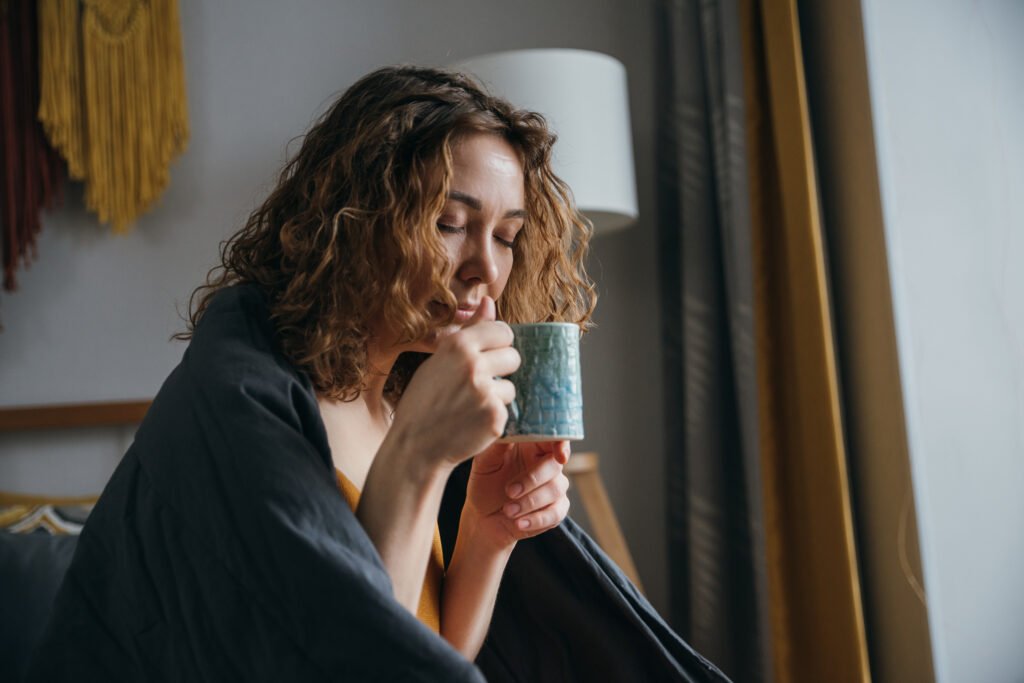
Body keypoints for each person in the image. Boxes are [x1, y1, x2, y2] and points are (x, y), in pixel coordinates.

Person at [27, 66, 730, 682]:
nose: (486, 267)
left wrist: (487, 536)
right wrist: (418, 456)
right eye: (452, 222)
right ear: (356, 220)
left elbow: (431, 650)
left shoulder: (399, 392)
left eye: (508, 237)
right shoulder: (242, 397)